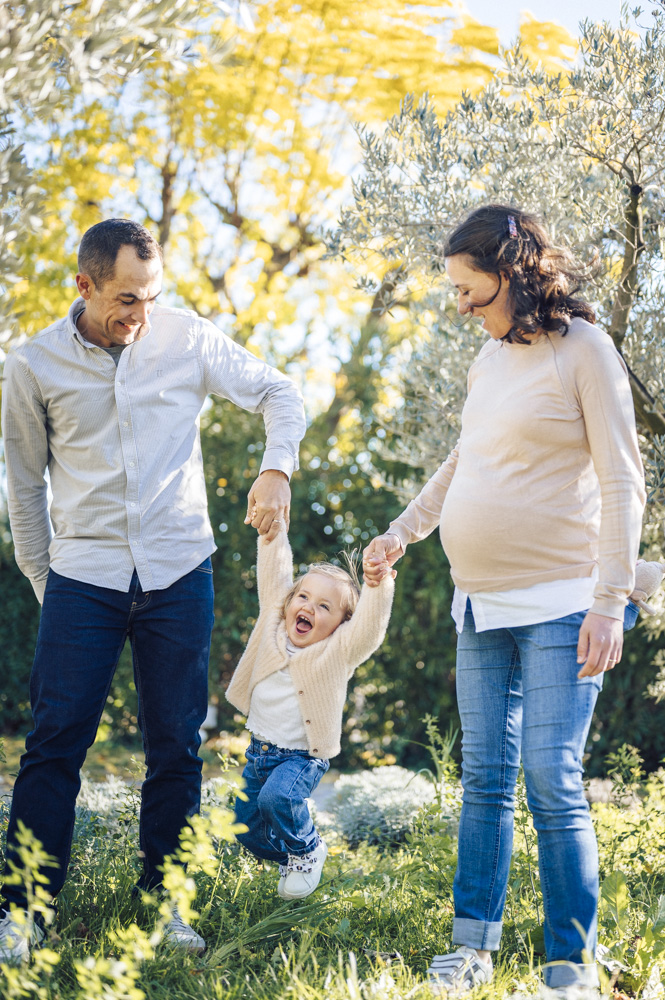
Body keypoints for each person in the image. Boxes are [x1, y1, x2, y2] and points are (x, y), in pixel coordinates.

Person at [0, 218, 306, 963]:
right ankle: (23, 911)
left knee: (176, 744)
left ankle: (165, 907)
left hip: (177, 572)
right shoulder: (33, 364)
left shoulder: (187, 339)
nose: (139, 317)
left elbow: (278, 392)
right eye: (125, 301)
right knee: (53, 744)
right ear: (85, 285)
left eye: (149, 298)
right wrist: (52, 587)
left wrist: (276, 468)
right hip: (84, 576)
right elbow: (26, 489)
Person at [363, 205, 650, 993]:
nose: (458, 304)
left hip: (564, 602)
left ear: (512, 272)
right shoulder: (488, 360)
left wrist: (609, 599)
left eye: (467, 289)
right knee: (485, 779)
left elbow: (625, 479)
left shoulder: (583, 350)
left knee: (551, 777)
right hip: (479, 605)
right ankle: (472, 947)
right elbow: (465, 461)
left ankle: (568, 960)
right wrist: (402, 531)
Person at [225, 519, 394, 900]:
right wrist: (273, 533)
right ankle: (292, 856)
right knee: (244, 828)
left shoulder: (339, 650)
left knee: (277, 799)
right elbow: (275, 572)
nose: (308, 608)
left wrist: (377, 586)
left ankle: (307, 848)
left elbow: (369, 627)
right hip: (260, 752)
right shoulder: (273, 620)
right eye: (303, 598)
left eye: (324, 607)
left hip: (303, 756)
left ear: (340, 625)